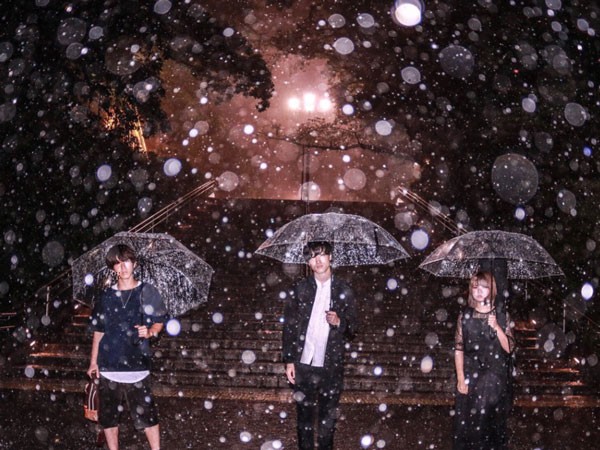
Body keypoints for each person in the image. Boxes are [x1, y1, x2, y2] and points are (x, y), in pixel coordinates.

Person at [87, 244, 167, 450]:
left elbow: (159, 322)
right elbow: (99, 331)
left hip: (137, 366)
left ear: (135, 263)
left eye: (126, 262)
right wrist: (93, 362)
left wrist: (150, 332)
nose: (122, 267)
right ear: (112, 268)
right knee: (109, 419)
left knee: (148, 417)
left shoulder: (147, 291)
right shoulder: (105, 296)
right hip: (108, 366)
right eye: (117, 263)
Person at [282, 241, 358, 450]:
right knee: (304, 419)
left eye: (322, 255)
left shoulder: (343, 290)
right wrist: (289, 360)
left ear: (330, 257)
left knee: (327, 421)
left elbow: (353, 328)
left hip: (331, 365)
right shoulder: (300, 289)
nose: (318, 260)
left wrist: (340, 322)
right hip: (304, 363)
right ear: (308, 262)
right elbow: (289, 326)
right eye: (312, 257)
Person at [453, 271, 515, 450]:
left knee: (485, 423)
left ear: (491, 289)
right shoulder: (465, 316)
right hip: (470, 374)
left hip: (494, 376)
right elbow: (459, 348)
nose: (478, 291)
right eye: (475, 287)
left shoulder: (501, 316)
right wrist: (460, 378)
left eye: (484, 287)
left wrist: (497, 327)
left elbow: (509, 348)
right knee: (467, 425)